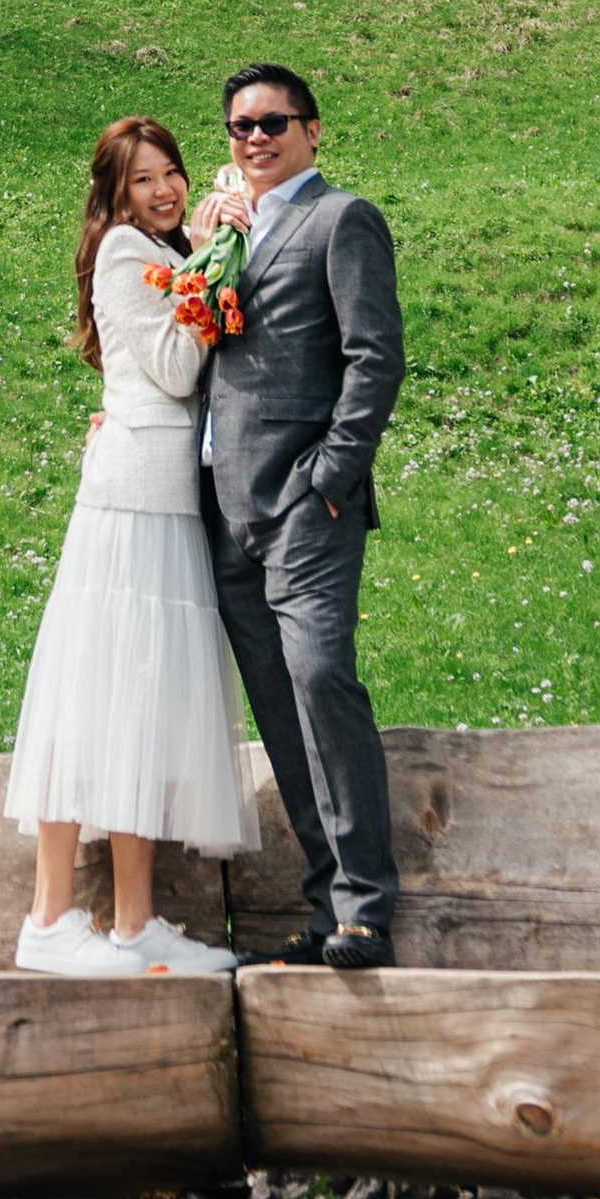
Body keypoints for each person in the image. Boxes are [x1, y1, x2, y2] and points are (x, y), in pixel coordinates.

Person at [5, 115, 257, 973]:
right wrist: (208, 262)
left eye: (171, 174)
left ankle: (136, 924)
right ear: (114, 194)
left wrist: (211, 243)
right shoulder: (122, 250)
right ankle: (50, 919)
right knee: (102, 694)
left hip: (169, 498)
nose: (165, 190)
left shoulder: (174, 242)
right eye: (143, 180)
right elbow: (177, 367)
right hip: (132, 502)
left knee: (144, 704)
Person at [196, 62, 405, 968]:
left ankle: (366, 906)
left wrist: (333, 475)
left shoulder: (340, 220)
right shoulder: (228, 230)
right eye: (242, 126)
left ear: (313, 131)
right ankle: (325, 914)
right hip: (223, 509)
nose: (256, 138)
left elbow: (375, 357)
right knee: (279, 710)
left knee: (322, 680)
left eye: (275, 122)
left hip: (306, 506)